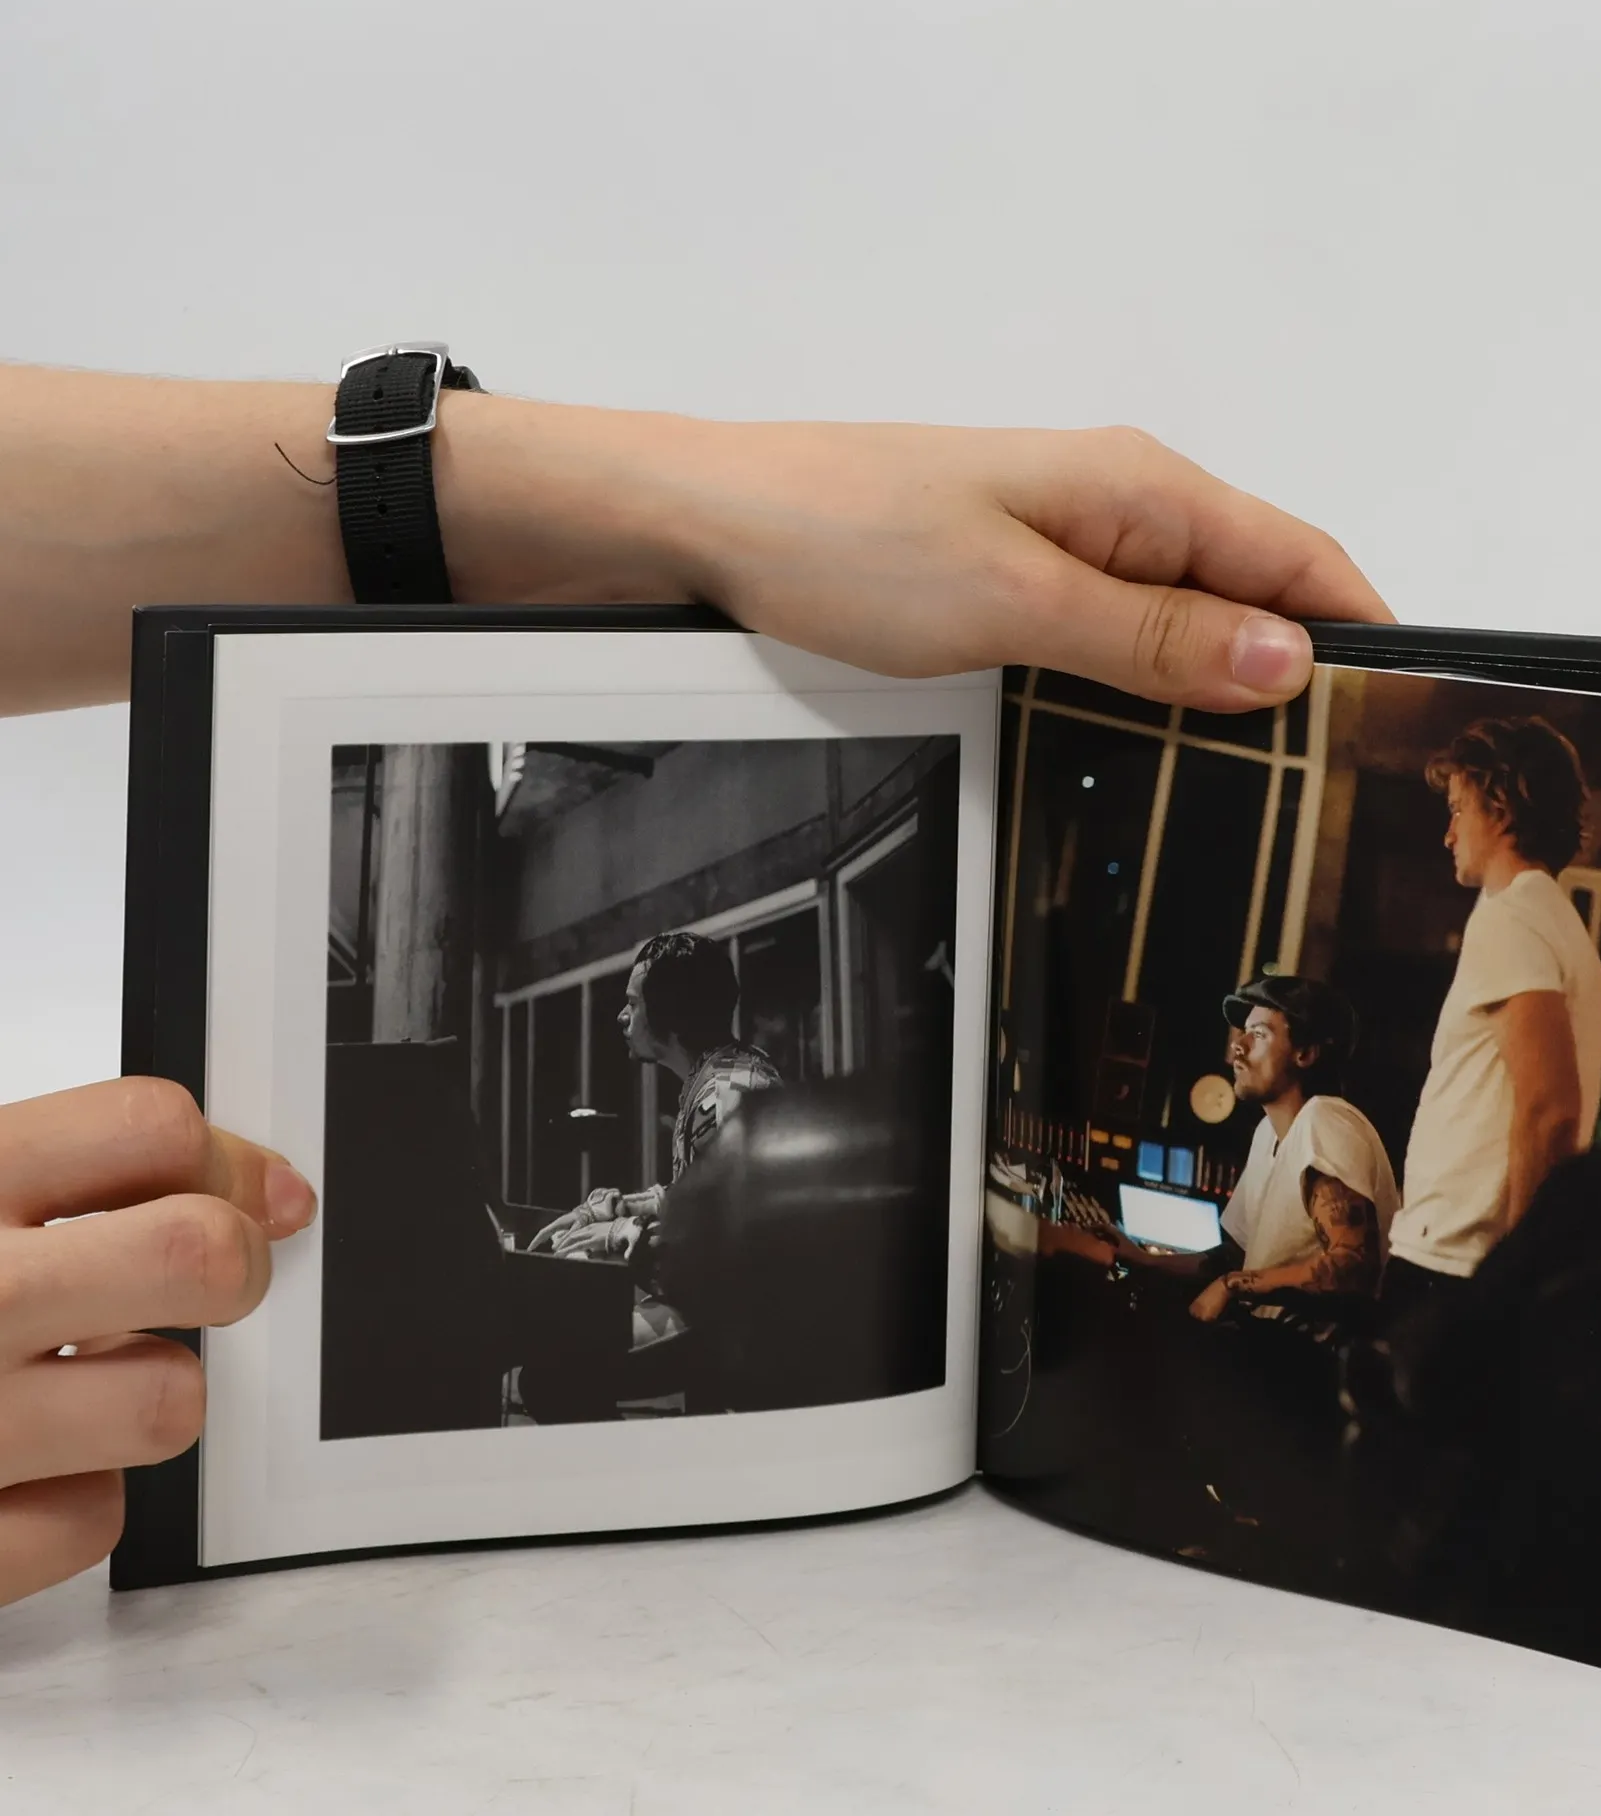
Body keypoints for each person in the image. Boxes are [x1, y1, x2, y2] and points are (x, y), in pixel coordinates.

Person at [0, 358, 1390, 1605]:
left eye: (1260, 1027)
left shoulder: (742, 1095)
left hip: (912, 1344)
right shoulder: (722, 1090)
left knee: (557, 1333)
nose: (612, 1014)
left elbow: (716, 1246)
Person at [1379, 716, 1601, 1319]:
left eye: (1458, 810)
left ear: (1501, 809)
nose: (1448, 834)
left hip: (1456, 1268)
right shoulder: (1551, 919)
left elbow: (1551, 1109)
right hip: (1467, 1262)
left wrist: (1514, 1279)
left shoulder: (1511, 917)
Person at [528, 931, 782, 1262]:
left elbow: (730, 1234)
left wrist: (627, 1234)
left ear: (670, 1014)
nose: (622, 1016)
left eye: (634, 1004)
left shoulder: (727, 1094)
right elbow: (701, 1198)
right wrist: (618, 1208)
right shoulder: (720, 1075)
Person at [1186, 975, 1399, 1323]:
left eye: (1259, 1034)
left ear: (1305, 1054)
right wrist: (1139, 1257)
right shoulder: (1267, 1132)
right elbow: (1238, 1257)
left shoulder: (1324, 1120)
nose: (1238, 1045)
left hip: (1306, 1353)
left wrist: (1231, 1285)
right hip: (1262, 1341)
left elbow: (1353, 1267)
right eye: (1244, 1031)